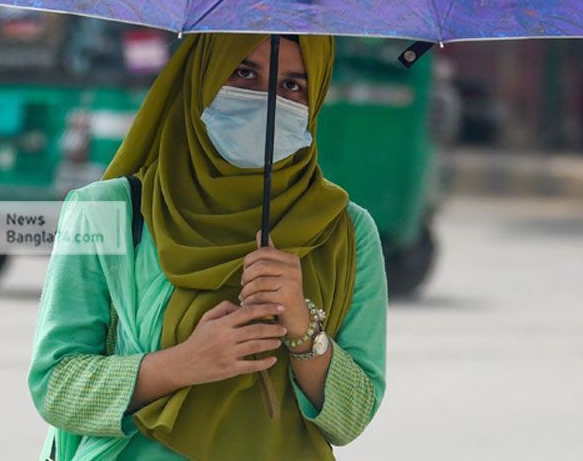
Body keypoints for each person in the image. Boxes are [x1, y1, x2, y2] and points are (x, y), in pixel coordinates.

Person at [29, 33, 387, 460]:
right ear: (203, 77)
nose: (267, 102)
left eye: (292, 86)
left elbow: (352, 419)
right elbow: (55, 387)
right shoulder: (107, 211)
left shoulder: (345, 231)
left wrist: (301, 327)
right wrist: (184, 362)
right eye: (243, 73)